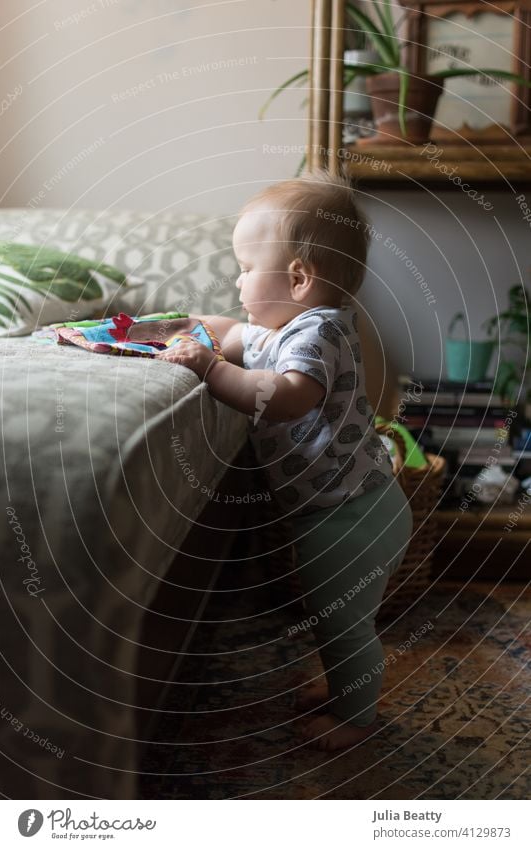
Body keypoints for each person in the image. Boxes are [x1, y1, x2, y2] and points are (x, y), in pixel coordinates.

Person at [156, 168, 413, 751]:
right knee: (330, 616)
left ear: (298, 278)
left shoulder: (316, 333)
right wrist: (176, 329)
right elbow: (228, 329)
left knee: (342, 622)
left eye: (246, 269)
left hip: (351, 515)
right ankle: (347, 691)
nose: (238, 281)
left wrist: (210, 368)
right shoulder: (278, 327)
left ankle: (356, 718)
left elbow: (288, 397)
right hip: (342, 509)